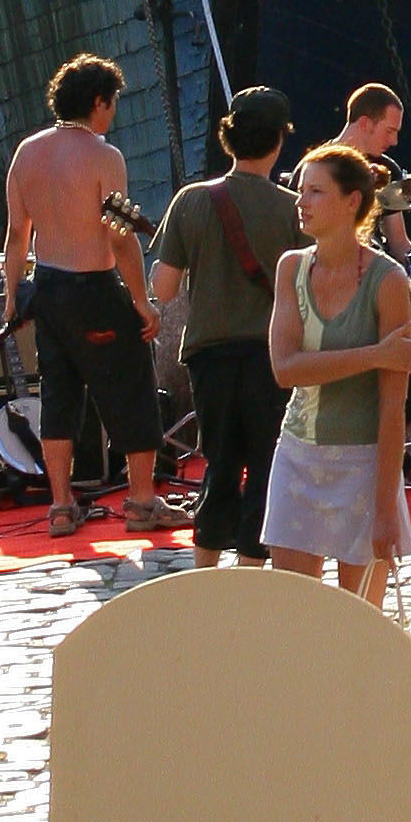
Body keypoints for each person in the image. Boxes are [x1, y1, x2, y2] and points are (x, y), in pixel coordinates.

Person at [2, 53, 176, 540]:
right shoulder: (104, 156)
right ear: (98, 102)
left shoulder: (27, 152)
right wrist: (142, 301)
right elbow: (120, 237)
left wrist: (15, 297)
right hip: (93, 289)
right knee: (131, 390)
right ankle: (141, 500)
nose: (114, 112)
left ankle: (60, 506)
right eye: (113, 102)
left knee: (58, 395)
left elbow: (16, 236)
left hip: (47, 288)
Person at [263, 136, 411, 595]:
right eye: (300, 188)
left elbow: (394, 408)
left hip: (364, 463)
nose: (301, 201)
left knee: (358, 626)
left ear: (352, 202)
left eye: (315, 191)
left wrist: (387, 508)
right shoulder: (290, 268)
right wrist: (375, 354)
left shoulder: (388, 281)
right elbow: (286, 369)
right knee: (295, 616)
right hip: (297, 453)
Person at [149, 84, 296, 562]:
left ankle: (206, 573)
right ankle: (253, 568)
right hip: (271, 357)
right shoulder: (293, 208)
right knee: (265, 463)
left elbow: (164, 290)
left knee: (220, 464)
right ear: (278, 142)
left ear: (227, 138)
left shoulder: (192, 201)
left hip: (209, 357)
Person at [339, 79, 411, 259]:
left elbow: (399, 244)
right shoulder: (314, 166)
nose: (394, 141)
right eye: (389, 131)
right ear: (365, 123)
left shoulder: (388, 169)